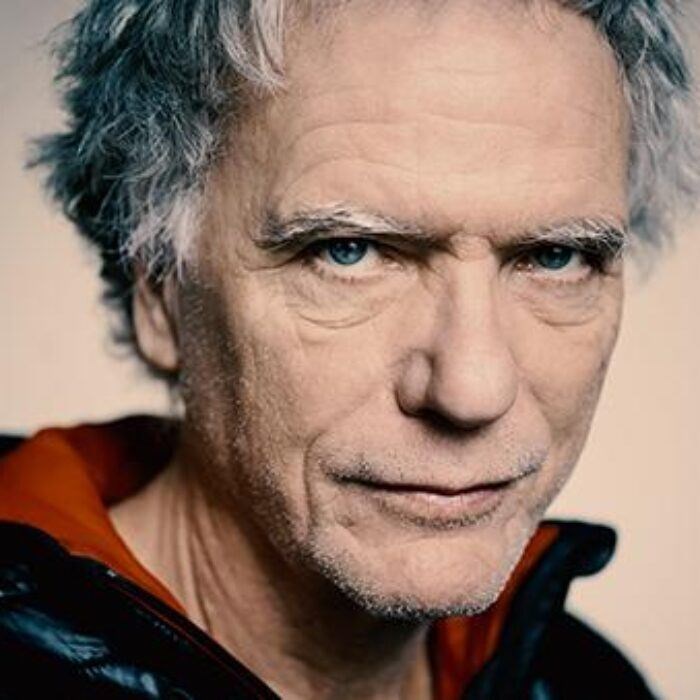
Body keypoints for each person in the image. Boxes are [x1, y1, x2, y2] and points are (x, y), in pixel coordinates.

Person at [0, 0, 698, 697]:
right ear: (159, 291)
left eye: (556, 257)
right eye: (349, 251)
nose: (472, 389)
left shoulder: (590, 685)